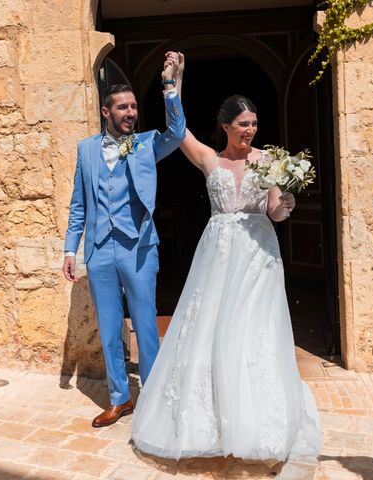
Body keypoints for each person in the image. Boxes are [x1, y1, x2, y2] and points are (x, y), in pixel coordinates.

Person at [131, 53, 321, 462]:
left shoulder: (269, 160)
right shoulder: (209, 159)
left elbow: (274, 210)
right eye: (243, 125)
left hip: (258, 253)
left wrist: (286, 203)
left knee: (253, 326)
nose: (250, 131)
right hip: (217, 253)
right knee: (210, 325)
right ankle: (209, 416)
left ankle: (255, 417)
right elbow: (177, 131)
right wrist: (172, 84)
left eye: (254, 124)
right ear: (226, 126)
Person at [62, 52, 186, 427]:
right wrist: (71, 248)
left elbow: (177, 133)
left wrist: (169, 86)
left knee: (146, 323)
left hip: (138, 247)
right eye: (123, 107)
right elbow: (78, 204)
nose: (131, 112)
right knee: (109, 325)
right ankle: (120, 398)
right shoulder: (85, 149)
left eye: (133, 106)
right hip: (99, 249)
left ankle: (153, 394)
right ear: (106, 111)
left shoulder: (147, 142)